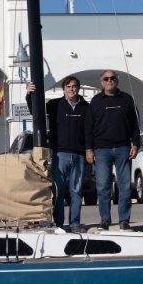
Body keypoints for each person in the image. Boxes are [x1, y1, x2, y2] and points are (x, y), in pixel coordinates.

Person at [26, 76, 89, 233]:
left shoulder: (86, 107)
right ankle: (59, 223)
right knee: (58, 191)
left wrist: (89, 149)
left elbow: (90, 131)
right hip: (60, 154)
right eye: (68, 86)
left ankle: (74, 224)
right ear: (64, 89)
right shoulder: (54, 105)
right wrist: (29, 95)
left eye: (74, 86)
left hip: (79, 155)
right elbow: (36, 112)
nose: (71, 89)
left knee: (76, 191)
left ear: (78, 88)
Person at [84, 70, 140, 231]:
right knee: (103, 186)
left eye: (112, 78)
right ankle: (105, 220)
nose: (110, 81)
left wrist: (135, 144)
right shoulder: (96, 101)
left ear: (117, 80)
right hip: (101, 149)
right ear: (102, 82)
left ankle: (124, 220)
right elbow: (88, 127)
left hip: (123, 148)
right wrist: (89, 149)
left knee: (125, 187)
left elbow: (135, 124)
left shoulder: (127, 99)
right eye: (106, 78)